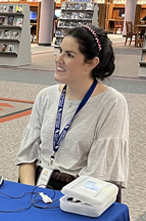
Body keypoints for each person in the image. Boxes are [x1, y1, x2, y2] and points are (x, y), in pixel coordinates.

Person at [15, 25, 129, 202]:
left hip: (82, 194)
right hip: (38, 186)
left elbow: (99, 174)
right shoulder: (46, 96)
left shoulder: (112, 103)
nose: (58, 59)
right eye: (60, 51)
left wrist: (65, 204)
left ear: (91, 63)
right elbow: (26, 156)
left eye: (69, 54)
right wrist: (31, 195)